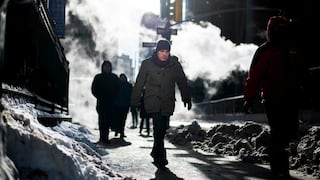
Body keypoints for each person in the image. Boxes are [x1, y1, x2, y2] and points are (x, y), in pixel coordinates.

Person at [243, 16, 302, 180]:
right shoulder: (264, 51)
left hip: (291, 97)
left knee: (291, 129)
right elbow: (254, 76)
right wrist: (249, 97)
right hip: (272, 98)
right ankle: (279, 167)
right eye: (277, 30)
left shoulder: (293, 49)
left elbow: (301, 71)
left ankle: (278, 161)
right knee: (278, 132)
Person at [131, 39, 192, 169]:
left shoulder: (175, 65)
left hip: (167, 102)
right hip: (152, 101)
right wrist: (135, 101)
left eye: (167, 51)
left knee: (162, 128)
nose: (164, 54)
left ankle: (155, 151)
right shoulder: (147, 64)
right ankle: (161, 156)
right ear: (157, 51)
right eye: (161, 51)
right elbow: (139, 83)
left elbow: (182, 82)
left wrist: (186, 97)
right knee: (158, 127)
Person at [91, 60, 120, 144]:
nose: (107, 68)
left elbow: (118, 89)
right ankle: (101, 137)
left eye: (108, 66)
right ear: (102, 67)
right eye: (105, 66)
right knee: (101, 120)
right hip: (101, 102)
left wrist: (114, 98)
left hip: (111, 103)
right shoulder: (98, 77)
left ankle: (106, 137)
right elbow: (93, 89)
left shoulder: (114, 77)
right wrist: (99, 96)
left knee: (108, 120)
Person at [113, 73, 133, 138]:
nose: (122, 79)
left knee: (123, 119)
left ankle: (121, 132)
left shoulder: (129, 86)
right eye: (121, 78)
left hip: (125, 105)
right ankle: (117, 130)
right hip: (117, 105)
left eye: (123, 77)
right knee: (117, 119)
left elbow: (131, 95)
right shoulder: (117, 85)